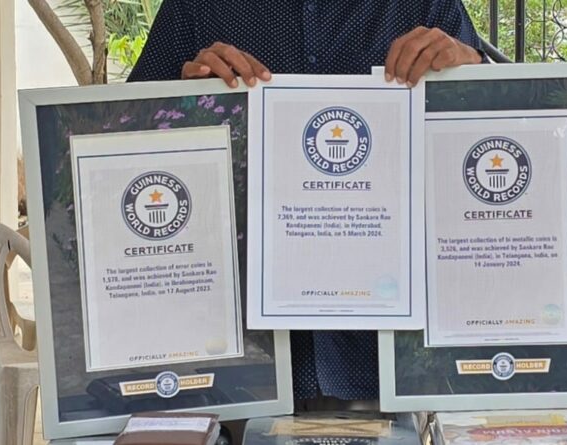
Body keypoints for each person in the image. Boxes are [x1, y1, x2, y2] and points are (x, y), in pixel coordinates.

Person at [128, 0, 485, 406]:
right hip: (240, 356)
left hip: (389, 357)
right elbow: (129, 135)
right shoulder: (194, 9)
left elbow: (490, 123)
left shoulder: (427, 5)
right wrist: (185, 99)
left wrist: (469, 67)